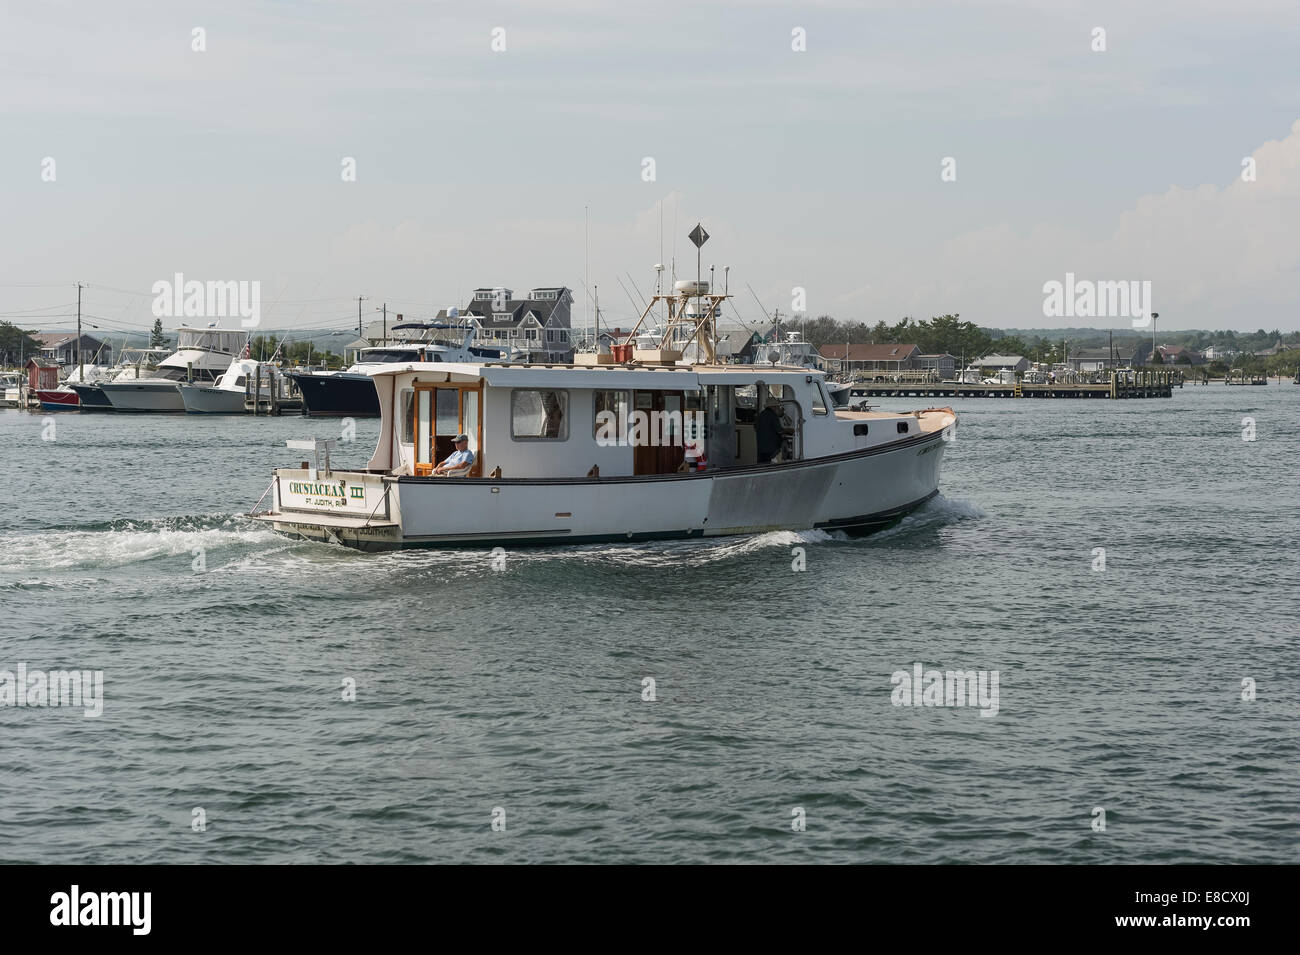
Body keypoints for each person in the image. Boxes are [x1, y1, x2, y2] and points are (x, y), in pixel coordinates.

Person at [755, 397, 784, 464]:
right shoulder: (773, 416)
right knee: (770, 467)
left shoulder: (760, 415)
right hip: (772, 449)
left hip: (761, 448)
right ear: (774, 407)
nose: (778, 408)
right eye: (777, 407)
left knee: (761, 466)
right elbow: (779, 430)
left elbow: (755, 427)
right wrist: (789, 430)